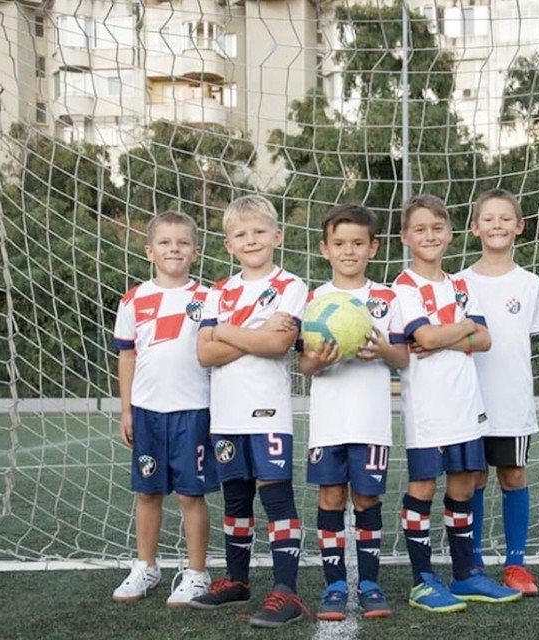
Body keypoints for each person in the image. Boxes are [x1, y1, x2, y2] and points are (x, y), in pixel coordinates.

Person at [393, 194, 522, 613]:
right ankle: (423, 580)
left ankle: (465, 574)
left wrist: (450, 334)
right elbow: (425, 338)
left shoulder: (460, 285)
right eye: (419, 229)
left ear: (449, 233)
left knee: (464, 484)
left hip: (467, 404)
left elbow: (484, 340)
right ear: (405, 237)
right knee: (424, 488)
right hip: (428, 409)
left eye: (437, 228)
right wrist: (462, 327)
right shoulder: (403, 288)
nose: (429, 235)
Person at [191, 195, 309, 628]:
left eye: (260, 231)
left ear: (277, 235)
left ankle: (286, 590)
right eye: (241, 234)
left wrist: (224, 332)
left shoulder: (291, 286)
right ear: (229, 245)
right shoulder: (218, 291)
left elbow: (278, 344)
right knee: (236, 497)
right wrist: (251, 332)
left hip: (267, 412)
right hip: (226, 413)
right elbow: (203, 354)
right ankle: (237, 580)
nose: (252, 239)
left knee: (276, 495)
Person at [299, 204, 409, 620]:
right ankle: (334, 586)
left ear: (373, 248)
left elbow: (403, 358)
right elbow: (305, 365)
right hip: (328, 423)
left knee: (366, 498)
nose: (349, 251)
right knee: (330, 497)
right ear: (325, 248)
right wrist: (318, 361)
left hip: (371, 422)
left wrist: (383, 350)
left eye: (358, 243)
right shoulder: (315, 300)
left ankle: (369, 584)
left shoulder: (387, 298)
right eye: (340, 243)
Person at [111, 211, 216, 607]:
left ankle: (197, 572)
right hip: (148, 412)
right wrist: (127, 410)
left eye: (183, 243)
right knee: (148, 491)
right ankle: (146, 567)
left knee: (191, 495)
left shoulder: (208, 298)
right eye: (166, 242)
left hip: (193, 410)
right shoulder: (133, 299)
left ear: (196, 251)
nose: (174, 249)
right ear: (149, 251)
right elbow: (127, 356)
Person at [458, 189, 539, 596]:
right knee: (473, 478)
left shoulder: (530, 284)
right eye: (488, 218)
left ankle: (515, 564)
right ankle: (474, 562)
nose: (497, 225)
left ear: (519, 226)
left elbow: (520, 341)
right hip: (469, 400)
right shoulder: (458, 283)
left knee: (513, 475)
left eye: (505, 218)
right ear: (474, 228)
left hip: (512, 400)